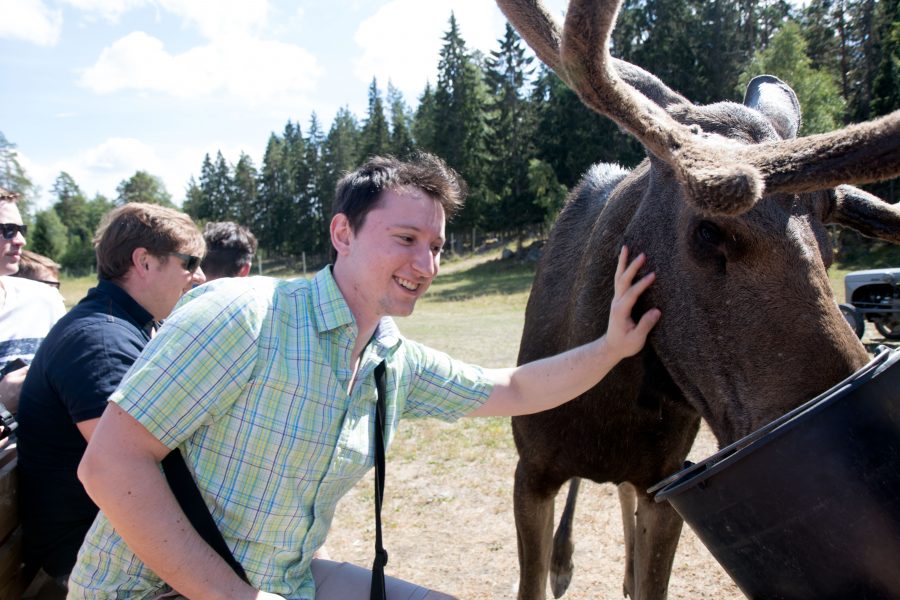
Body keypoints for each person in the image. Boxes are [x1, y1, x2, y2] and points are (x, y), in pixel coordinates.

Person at [68, 154, 661, 599]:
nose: (425, 265)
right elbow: (110, 462)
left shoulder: (389, 359)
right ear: (342, 233)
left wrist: (611, 347)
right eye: (406, 239)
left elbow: (515, 389)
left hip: (283, 581)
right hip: (150, 591)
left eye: (437, 247)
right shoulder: (243, 314)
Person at [15, 202, 206, 588]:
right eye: (189, 262)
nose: (199, 277)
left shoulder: (119, 324)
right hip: (91, 556)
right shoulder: (101, 341)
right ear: (145, 262)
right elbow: (127, 470)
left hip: (105, 538)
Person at [0, 187, 66, 419]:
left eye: (21, 230)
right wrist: (2, 405)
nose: (21, 240)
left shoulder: (43, 300)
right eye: (8, 230)